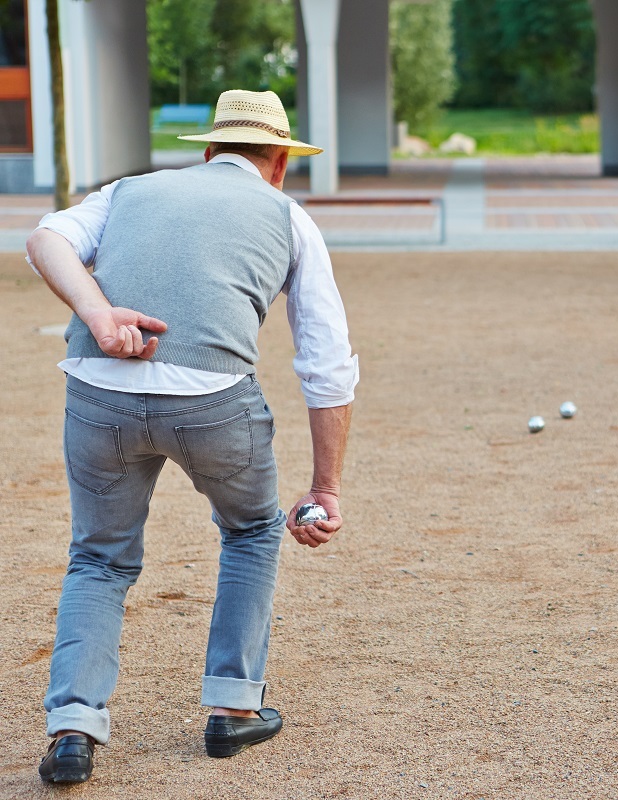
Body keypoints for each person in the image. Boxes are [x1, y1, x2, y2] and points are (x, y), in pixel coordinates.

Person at [25, 89, 358, 784]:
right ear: (279, 166)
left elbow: (44, 239)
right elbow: (326, 363)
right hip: (213, 399)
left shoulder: (129, 190)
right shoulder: (289, 218)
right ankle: (234, 711)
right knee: (250, 532)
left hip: (98, 391)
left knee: (99, 559)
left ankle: (73, 727)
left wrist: (100, 311)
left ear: (208, 152)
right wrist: (325, 485)